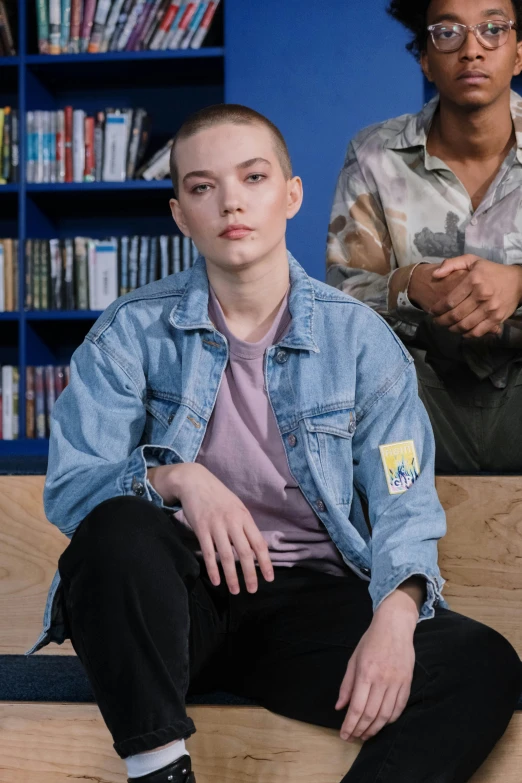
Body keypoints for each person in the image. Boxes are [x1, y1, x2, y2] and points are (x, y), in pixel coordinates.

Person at [32, 104, 521, 783]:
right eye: (203, 187)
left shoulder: (360, 341)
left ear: (290, 195)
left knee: (482, 661)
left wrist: (396, 610)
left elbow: (403, 500)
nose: (231, 200)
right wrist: (178, 480)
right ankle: (160, 770)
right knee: (115, 528)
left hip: (306, 604)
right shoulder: (129, 333)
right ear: (180, 214)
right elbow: (71, 490)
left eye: (253, 177)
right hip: (175, 607)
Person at [327, 0, 522, 474]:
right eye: (449, 33)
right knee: (351, 373)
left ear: (518, 54)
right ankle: (401, 531)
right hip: (419, 395)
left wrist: (518, 283)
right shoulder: (375, 154)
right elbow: (339, 299)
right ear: (425, 59)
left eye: (493, 29)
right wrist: (408, 284)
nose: (472, 50)